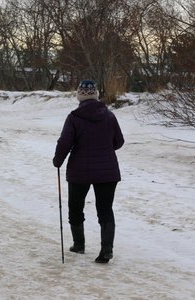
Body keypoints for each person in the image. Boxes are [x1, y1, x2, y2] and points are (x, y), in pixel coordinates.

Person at [52, 80, 124, 263]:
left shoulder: (74, 117)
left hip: (79, 171)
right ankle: (106, 249)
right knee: (105, 210)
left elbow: (64, 142)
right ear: (96, 95)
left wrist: (57, 161)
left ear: (80, 96)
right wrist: (104, 148)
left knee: (76, 207)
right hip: (108, 171)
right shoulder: (109, 116)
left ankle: (79, 244)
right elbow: (119, 141)